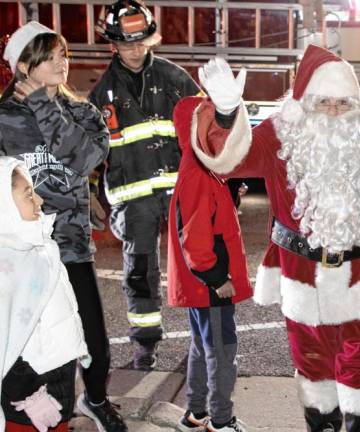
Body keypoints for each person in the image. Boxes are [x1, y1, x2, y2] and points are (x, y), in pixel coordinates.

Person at [174, 45, 360, 432]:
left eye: (343, 103)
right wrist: (224, 113)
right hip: (302, 275)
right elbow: (230, 160)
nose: (335, 112)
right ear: (304, 102)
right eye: (324, 103)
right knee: (314, 369)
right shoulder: (279, 133)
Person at [0, 22, 126, 432]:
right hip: (18, 253)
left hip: (69, 245)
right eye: (49, 56)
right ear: (22, 64)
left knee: (94, 345)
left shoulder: (82, 112)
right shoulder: (3, 118)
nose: (61, 63)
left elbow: (82, 159)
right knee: (23, 345)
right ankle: (30, 416)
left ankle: (94, 400)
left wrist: (43, 104)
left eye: (63, 55)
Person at [89, 0, 201, 371]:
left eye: (141, 42)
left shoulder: (176, 79)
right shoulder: (101, 95)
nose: (135, 50)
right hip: (133, 200)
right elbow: (90, 151)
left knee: (197, 263)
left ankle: (202, 341)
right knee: (139, 271)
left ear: (151, 40)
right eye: (126, 43)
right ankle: (145, 346)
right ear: (112, 45)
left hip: (181, 193)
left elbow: (205, 134)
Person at [166, 95, 253, 432]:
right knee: (221, 351)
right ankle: (220, 419)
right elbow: (198, 239)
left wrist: (230, 196)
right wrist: (218, 278)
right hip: (210, 285)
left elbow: (204, 222)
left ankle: (196, 412)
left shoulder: (201, 169)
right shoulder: (202, 174)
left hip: (201, 284)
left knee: (204, 348)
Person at [0, 157, 90, 432]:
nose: (39, 201)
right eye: (28, 195)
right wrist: (27, 397)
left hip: (55, 387)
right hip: (27, 406)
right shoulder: (7, 264)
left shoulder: (35, 246)